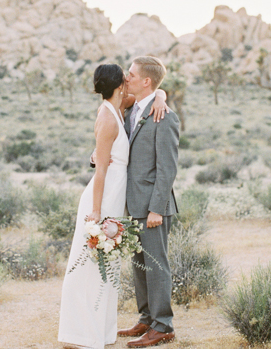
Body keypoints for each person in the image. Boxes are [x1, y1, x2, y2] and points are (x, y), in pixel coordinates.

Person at [58, 63, 168, 349]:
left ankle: (101, 330)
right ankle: (81, 332)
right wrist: (96, 211)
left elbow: (153, 90)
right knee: (90, 264)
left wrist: (161, 96)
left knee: (108, 265)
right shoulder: (109, 116)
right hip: (104, 197)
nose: (129, 78)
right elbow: (101, 171)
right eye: (126, 75)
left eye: (132, 75)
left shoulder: (122, 106)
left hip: (121, 196)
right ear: (120, 84)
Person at [117, 56, 179, 348]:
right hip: (133, 202)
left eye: (130, 74)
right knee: (139, 264)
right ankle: (146, 319)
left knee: (156, 265)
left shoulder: (164, 116)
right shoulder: (134, 107)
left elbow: (167, 167)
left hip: (153, 205)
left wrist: (157, 207)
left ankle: (163, 326)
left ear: (146, 81)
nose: (125, 78)